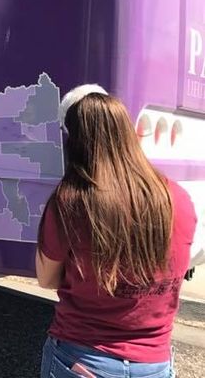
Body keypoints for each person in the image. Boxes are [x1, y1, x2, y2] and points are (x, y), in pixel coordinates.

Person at [36, 85, 197, 378]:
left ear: (74, 140)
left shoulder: (70, 202)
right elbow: (174, 276)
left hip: (81, 358)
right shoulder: (179, 199)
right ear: (128, 132)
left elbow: (47, 279)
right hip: (154, 363)